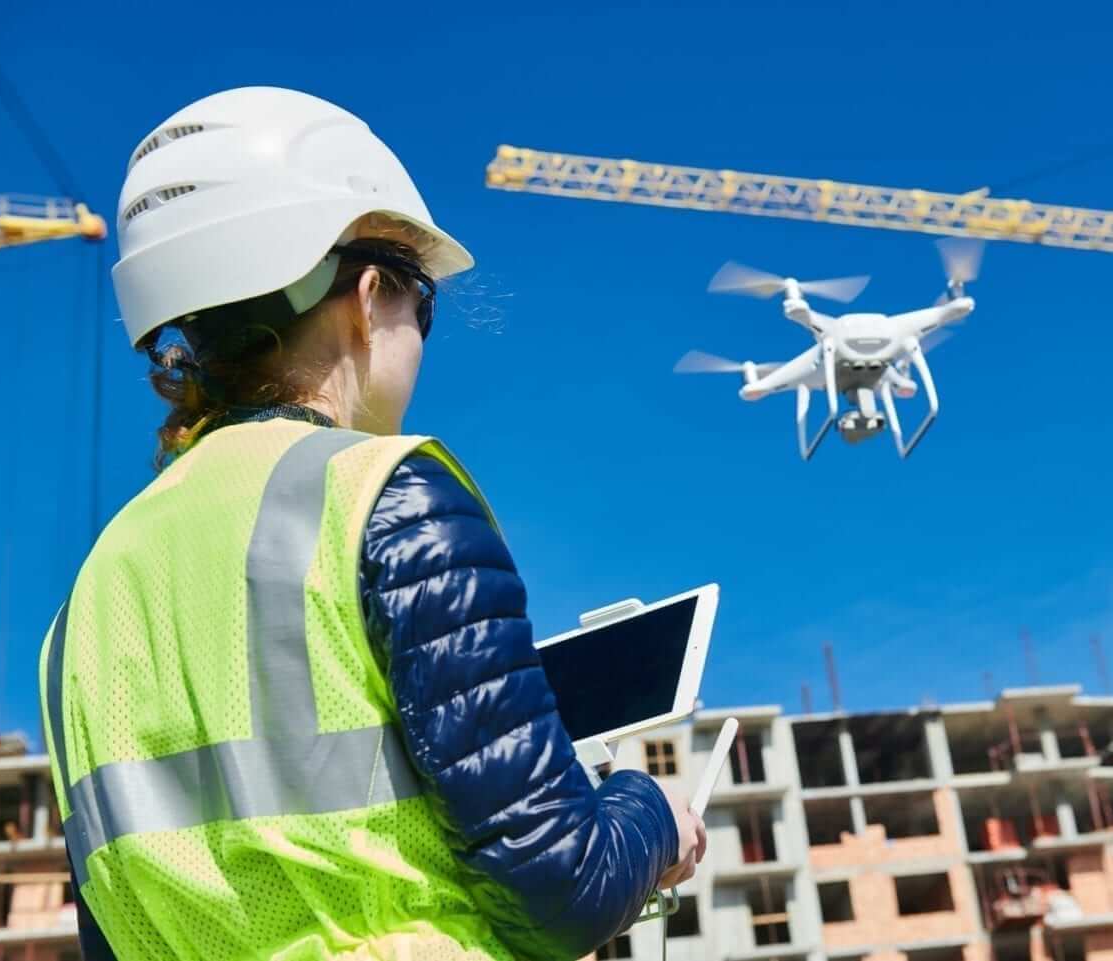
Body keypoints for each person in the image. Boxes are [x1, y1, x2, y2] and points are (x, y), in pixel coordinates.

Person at [38, 86, 705, 961]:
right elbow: (563, 885)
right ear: (365, 294)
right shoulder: (382, 495)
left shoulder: (83, 607)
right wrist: (651, 812)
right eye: (420, 302)